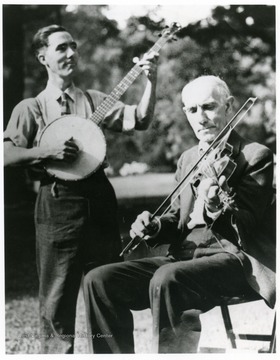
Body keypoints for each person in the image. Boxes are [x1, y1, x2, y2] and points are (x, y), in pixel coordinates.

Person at [83, 75, 275, 353]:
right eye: (192, 110)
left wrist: (213, 207)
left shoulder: (255, 155)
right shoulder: (188, 159)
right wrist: (155, 226)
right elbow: (177, 220)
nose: (201, 117)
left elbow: (247, 224)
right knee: (99, 280)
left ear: (229, 106)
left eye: (209, 107)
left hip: (235, 261)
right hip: (185, 258)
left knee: (169, 277)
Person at [4, 24, 158, 354]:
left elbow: (140, 119)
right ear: (42, 56)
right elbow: (6, 153)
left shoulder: (94, 100)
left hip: (100, 199)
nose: (72, 53)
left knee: (108, 287)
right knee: (57, 297)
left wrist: (151, 82)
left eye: (73, 46)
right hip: (58, 202)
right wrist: (46, 152)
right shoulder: (30, 107)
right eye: (61, 48)